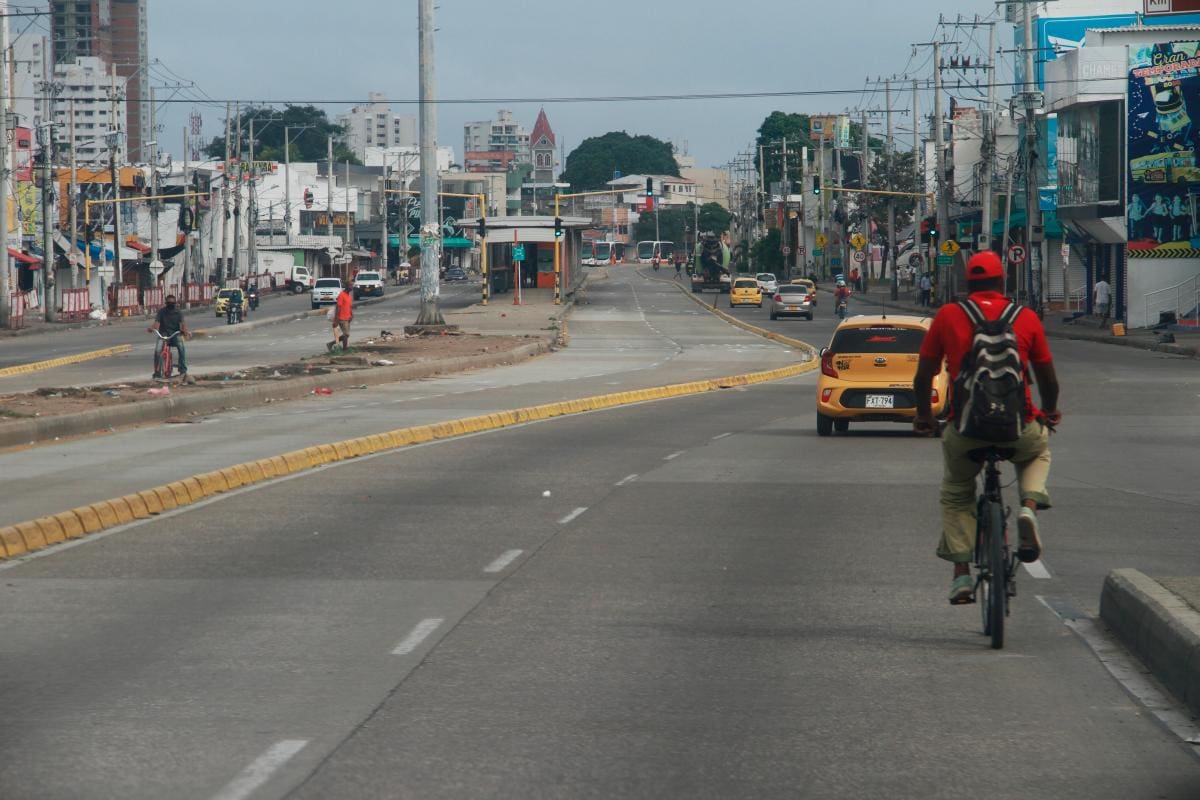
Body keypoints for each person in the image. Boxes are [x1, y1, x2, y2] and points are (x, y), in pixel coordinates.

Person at [912, 251, 1061, 605]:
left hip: (967, 430)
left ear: (968, 283)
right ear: (1002, 281)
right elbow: (1048, 379)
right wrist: (1050, 412)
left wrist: (924, 416)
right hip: (1018, 426)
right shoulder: (1024, 317)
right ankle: (1027, 508)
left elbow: (924, 376)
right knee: (1038, 452)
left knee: (956, 489)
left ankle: (961, 575)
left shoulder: (948, 315)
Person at [147, 293, 194, 383]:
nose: (170, 305)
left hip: (174, 335)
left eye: (172, 303)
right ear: (166, 303)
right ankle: (157, 372)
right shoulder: (162, 312)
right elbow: (157, 323)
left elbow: (183, 324)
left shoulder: (178, 312)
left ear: (175, 303)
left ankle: (182, 370)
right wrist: (152, 328)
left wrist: (184, 331)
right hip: (163, 335)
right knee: (157, 350)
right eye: (169, 303)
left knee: (181, 348)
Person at [329, 282, 354, 352]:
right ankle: (345, 349)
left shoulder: (349, 296)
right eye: (350, 286)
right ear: (346, 286)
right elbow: (338, 307)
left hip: (347, 317)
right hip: (341, 318)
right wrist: (336, 320)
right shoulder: (341, 295)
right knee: (346, 334)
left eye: (352, 286)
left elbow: (349, 306)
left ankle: (331, 344)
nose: (352, 287)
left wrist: (351, 314)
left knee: (347, 335)